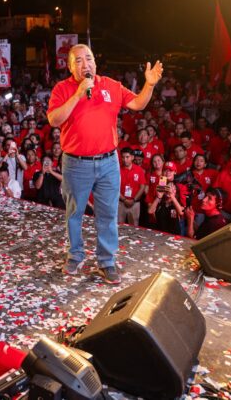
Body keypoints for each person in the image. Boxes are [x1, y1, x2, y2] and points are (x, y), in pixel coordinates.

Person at [47, 44, 163, 284]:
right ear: (70, 66)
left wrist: (149, 85)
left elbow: (138, 104)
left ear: (95, 63)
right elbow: (54, 119)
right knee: (74, 213)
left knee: (108, 214)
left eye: (88, 58)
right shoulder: (63, 88)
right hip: (76, 163)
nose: (84, 63)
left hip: (109, 162)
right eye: (78, 60)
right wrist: (79, 93)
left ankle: (107, 261)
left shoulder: (110, 85)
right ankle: (75, 255)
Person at [118, 147, 146, 225]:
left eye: (127, 157)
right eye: (123, 157)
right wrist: (124, 199)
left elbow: (142, 187)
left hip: (135, 203)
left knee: (134, 227)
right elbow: (114, 187)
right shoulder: (117, 169)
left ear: (132, 157)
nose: (125, 159)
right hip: (121, 202)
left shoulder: (139, 170)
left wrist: (133, 200)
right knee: (119, 226)